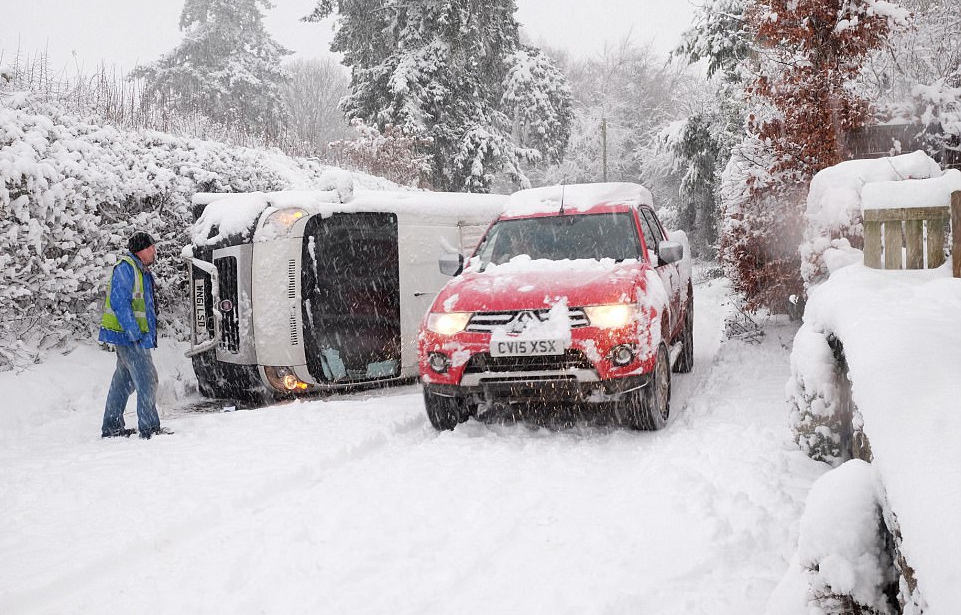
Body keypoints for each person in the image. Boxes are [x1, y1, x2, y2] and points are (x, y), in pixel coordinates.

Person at [99, 231, 171, 439]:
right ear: (141, 251)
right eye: (151, 248)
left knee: (124, 382)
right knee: (148, 380)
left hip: (130, 336)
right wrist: (134, 333)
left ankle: (111, 427)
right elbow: (120, 303)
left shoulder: (141, 271)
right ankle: (149, 428)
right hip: (129, 337)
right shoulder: (126, 269)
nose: (154, 251)